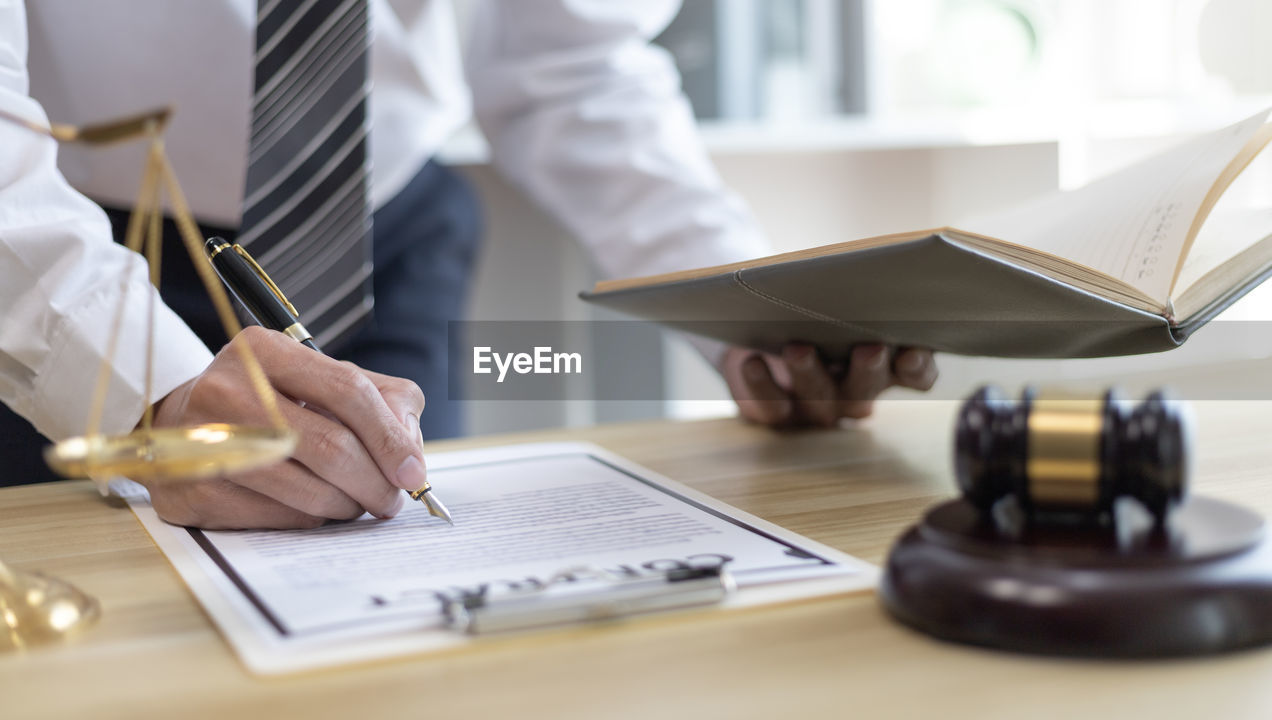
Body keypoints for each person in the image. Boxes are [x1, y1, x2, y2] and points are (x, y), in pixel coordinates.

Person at [0, 1, 937, 527]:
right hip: (67, 250)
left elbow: (568, 61)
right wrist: (148, 385)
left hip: (387, 226)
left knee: (376, 561)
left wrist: (746, 301)